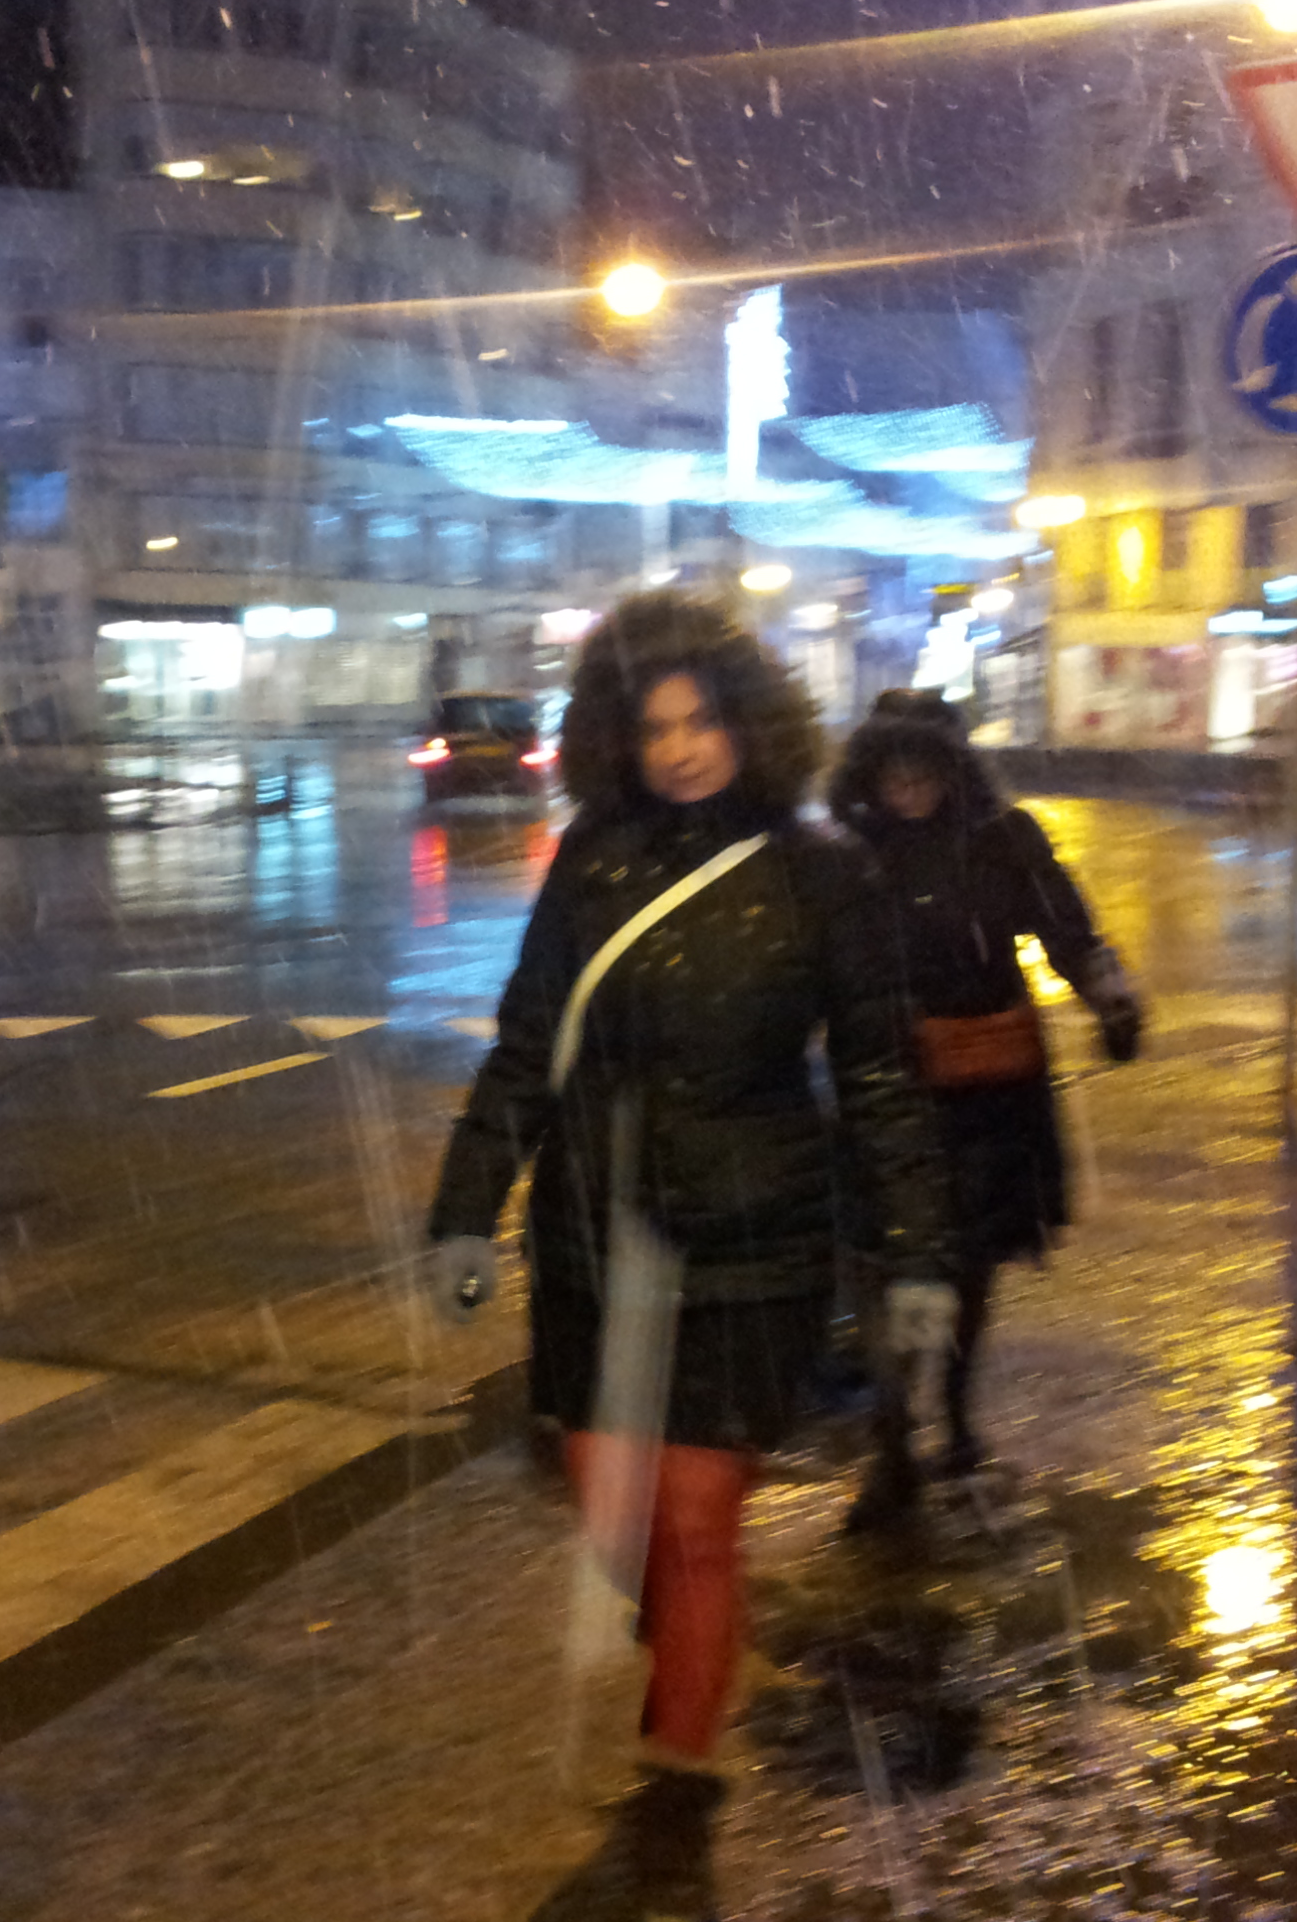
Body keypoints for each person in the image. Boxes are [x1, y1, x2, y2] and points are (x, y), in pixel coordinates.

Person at [421, 594, 954, 1921]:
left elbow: (880, 1077)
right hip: (593, 1239)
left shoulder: (823, 872)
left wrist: (917, 1255)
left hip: (755, 1245)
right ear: (617, 738)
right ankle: (687, 1628)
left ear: (750, 724)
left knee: (700, 1521)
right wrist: (463, 1208)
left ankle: (678, 1779)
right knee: (618, 1515)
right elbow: (528, 1048)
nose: (679, 750)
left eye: (701, 721)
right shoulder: (593, 860)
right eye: (653, 728)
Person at [828, 688, 1142, 1522]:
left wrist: (1110, 997)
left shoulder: (1005, 841)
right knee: (891, 1264)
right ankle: (894, 1436)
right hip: (884, 1090)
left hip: (990, 1093)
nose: (909, 785)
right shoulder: (845, 855)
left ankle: (957, 1419)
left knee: (968, 1264)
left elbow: (1069, 930)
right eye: (893, 769)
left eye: (924, 767)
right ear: (869, 771)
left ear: (954, 766)